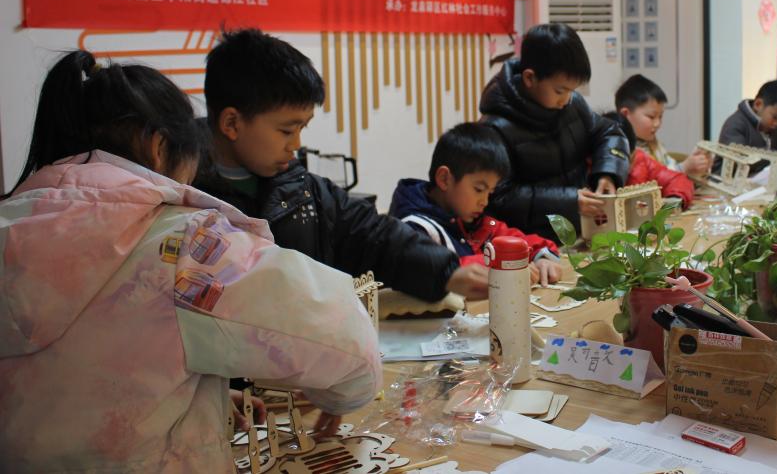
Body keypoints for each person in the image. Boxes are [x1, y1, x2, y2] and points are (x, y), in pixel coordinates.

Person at [0, 51, 381, 473]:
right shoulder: (183, 246)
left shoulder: (10, 225)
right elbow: (349, 344)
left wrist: (193, 394)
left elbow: (71, 377)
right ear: (158, 145)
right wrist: (339, 398)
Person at [193, 29, 488, 302]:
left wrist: (446, 272)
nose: (296, 143)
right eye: (286, 130)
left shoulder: (303, 189)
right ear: (232, 123)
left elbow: (372, 235)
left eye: (302, 128)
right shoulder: (185, 196)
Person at [479, 24, 630, 238]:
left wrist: (608, 173)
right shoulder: (495, 128)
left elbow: (610, 133)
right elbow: (501, 198)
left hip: (581, 232)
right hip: (532, 244)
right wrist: (569, 202)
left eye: (572, 90)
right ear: (530, 78)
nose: (566, 99)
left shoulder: (573, 104)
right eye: (560, 91)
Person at [389, 122, 563, 286]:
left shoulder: (473, 220)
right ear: (444, 179)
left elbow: (517, 240)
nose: (484, 202)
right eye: (479, 189)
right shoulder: (413, 229)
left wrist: (542, 257)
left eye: (490, 192)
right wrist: (503, 264)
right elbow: (441, 272)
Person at [614, 74, 711, 178]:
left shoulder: (653, 143)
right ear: (625, 114)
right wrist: (683, 168)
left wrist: (695, 168)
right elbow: (649, 180)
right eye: (651, 117)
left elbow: (668, 165)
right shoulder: (619, 148)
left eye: (660, 116)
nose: (658, 123)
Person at [718, 79, 777, 171]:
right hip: (726, 180)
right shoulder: (735, 124)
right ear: (758, 104)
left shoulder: (772, 129)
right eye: (775, 117)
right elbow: (740, 156)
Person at [603, 111, 695, 207]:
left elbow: (677, 180)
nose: (627, 168)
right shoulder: (591, 173)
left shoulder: (642, 161)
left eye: (629, 160)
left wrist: (674, 200)